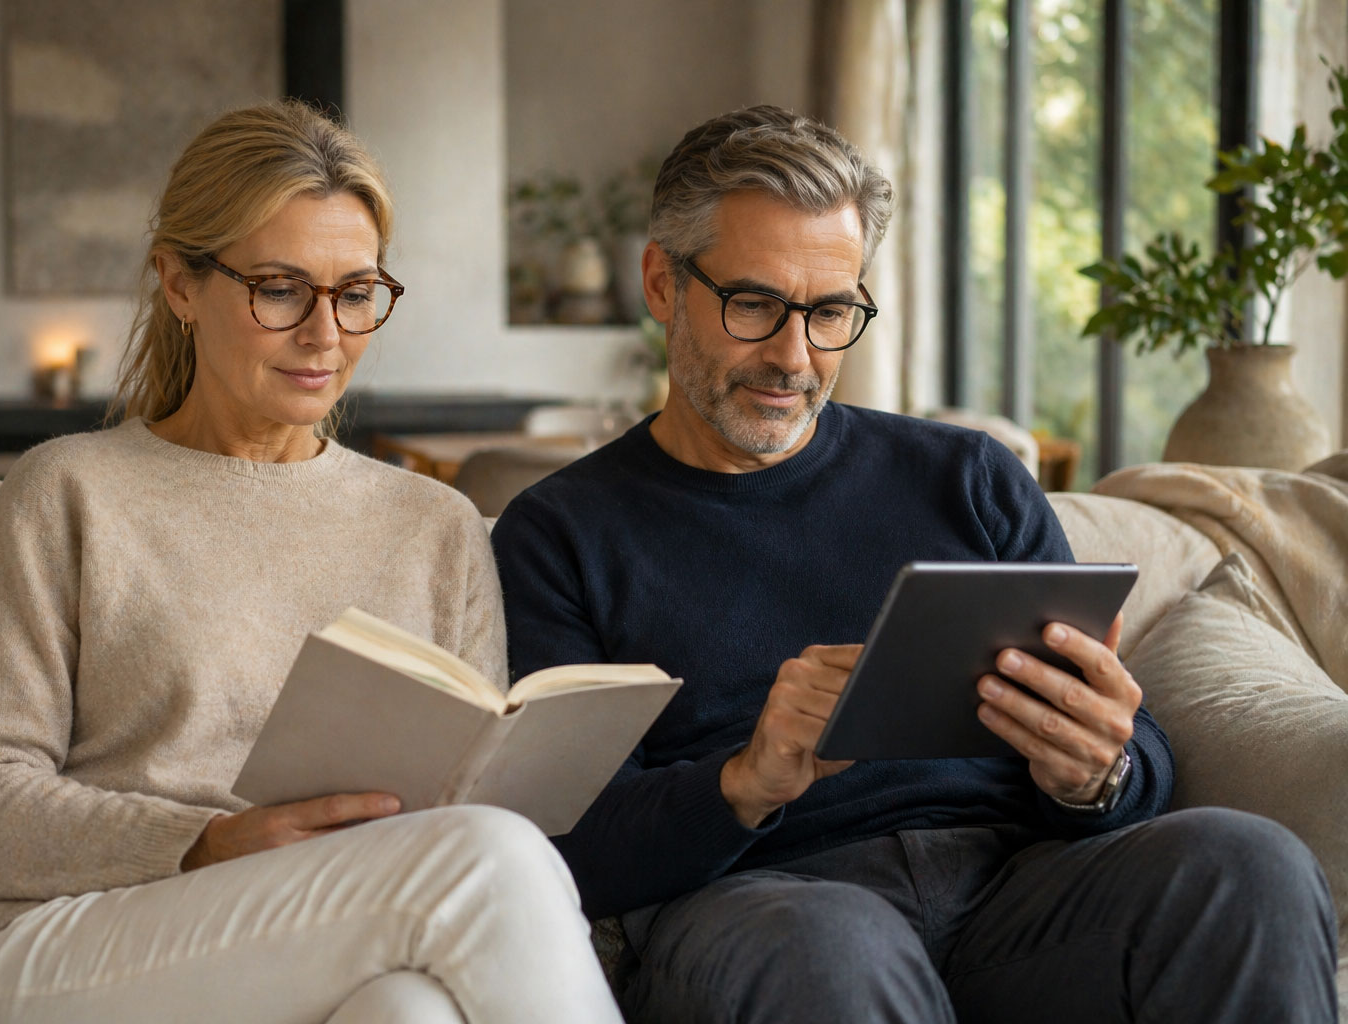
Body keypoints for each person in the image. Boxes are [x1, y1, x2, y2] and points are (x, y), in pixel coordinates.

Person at [491, 105, 1337, 1024]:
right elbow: (558, 839)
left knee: (1249, 861)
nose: (794, 356)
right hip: (766, 901)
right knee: (833, 949)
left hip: (1014, 892)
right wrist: (743, 781)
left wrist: (1102, 772)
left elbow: (1127, 746)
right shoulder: (559, 533)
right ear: (662, 282)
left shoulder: (967, 477)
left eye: (831, 312)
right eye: (754, 304)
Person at [0, 101, 622, 1024]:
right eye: (280, 288)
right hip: (56, 942)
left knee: (412, 1012)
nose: (326, 335)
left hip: (324, 933)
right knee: (492, 860)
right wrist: (208, 841)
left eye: (356, 291)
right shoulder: (69, 491)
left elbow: (461, 798)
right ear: (178, 283)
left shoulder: (433, 524)